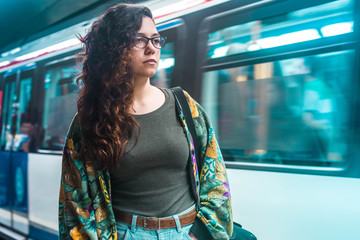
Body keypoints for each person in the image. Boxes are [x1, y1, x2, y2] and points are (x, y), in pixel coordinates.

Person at [58, 3, 233, 240]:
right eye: (139, 40)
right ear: (113, 49)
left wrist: (199, 234)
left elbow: (216, 178)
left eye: (156, 39)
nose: (152, 48)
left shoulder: (184, 105)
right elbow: (75, 202)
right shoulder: (89, 120)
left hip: (188, 232)